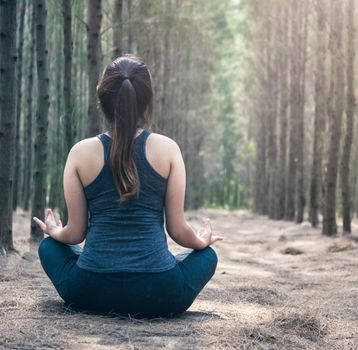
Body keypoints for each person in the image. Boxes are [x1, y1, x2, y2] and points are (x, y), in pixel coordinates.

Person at [33, 55, 224, 318]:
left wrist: (55, 232)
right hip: (160, 293)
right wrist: (201, 242)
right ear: (147, 100)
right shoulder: (168, 149)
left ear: (102, 100)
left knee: (48, 248)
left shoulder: (80, 153)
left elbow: (75, 234)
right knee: (208, 256)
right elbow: (178, 231)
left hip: (89, 290)